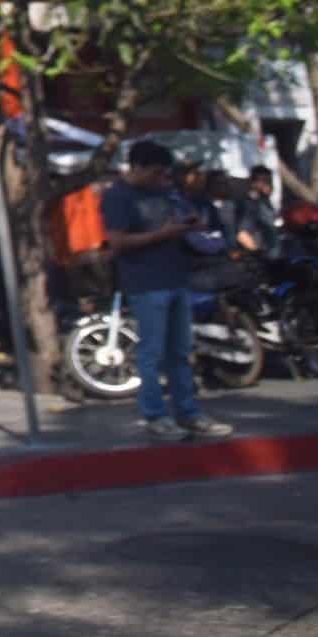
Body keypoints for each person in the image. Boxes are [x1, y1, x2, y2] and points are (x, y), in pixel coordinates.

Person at [102, 140, 236, 442]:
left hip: (176, 278)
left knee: (181, 352)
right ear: (136, 167)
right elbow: (118, 242)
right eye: (155, 171)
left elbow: (178, 224)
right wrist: (163, 234)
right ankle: (155, 414)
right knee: (151, 353)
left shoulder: (164, 192)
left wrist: (188, 226)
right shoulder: (118, 197)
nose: (160, 177)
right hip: (145, 283)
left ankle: (188, 412)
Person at [237, 165, 284, 255]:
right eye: (265, 181)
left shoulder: (265, 202)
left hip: (276, 258)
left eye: (270, 181)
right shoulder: (249, 204)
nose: (269, 185)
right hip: (262, 261)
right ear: (252, 183)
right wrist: (257, 254)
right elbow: (242, 234)